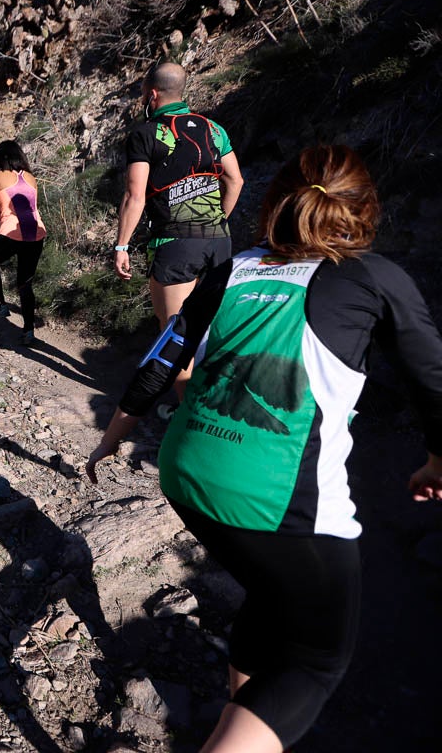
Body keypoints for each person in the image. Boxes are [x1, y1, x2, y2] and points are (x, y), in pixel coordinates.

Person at [86, 145, 442, 753]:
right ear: (363, 212)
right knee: (315, 661)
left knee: (272, 592)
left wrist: (113, 436)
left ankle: (240, 720)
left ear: (274, 205)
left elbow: (163, 358)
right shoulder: (372, 277)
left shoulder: (233, 268)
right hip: (277, 496)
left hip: (186, 471)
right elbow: (433, 380)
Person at [113, 62, 244, 396]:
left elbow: (135, 195)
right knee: (213, 329)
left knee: (174, 334)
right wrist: (219, 220)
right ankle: (213, 405)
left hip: (174, 242)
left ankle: (181, 415)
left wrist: (122, 245)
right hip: (219, 242)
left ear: (152, 94)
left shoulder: (145, 133)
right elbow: (235, 180)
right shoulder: (214, 129)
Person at [0, 140, 48, 345]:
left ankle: (1, 305)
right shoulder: (30, 177)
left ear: (0, 158)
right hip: (36, 234)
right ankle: (28, 331)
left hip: (10, 233)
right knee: (25, 283)